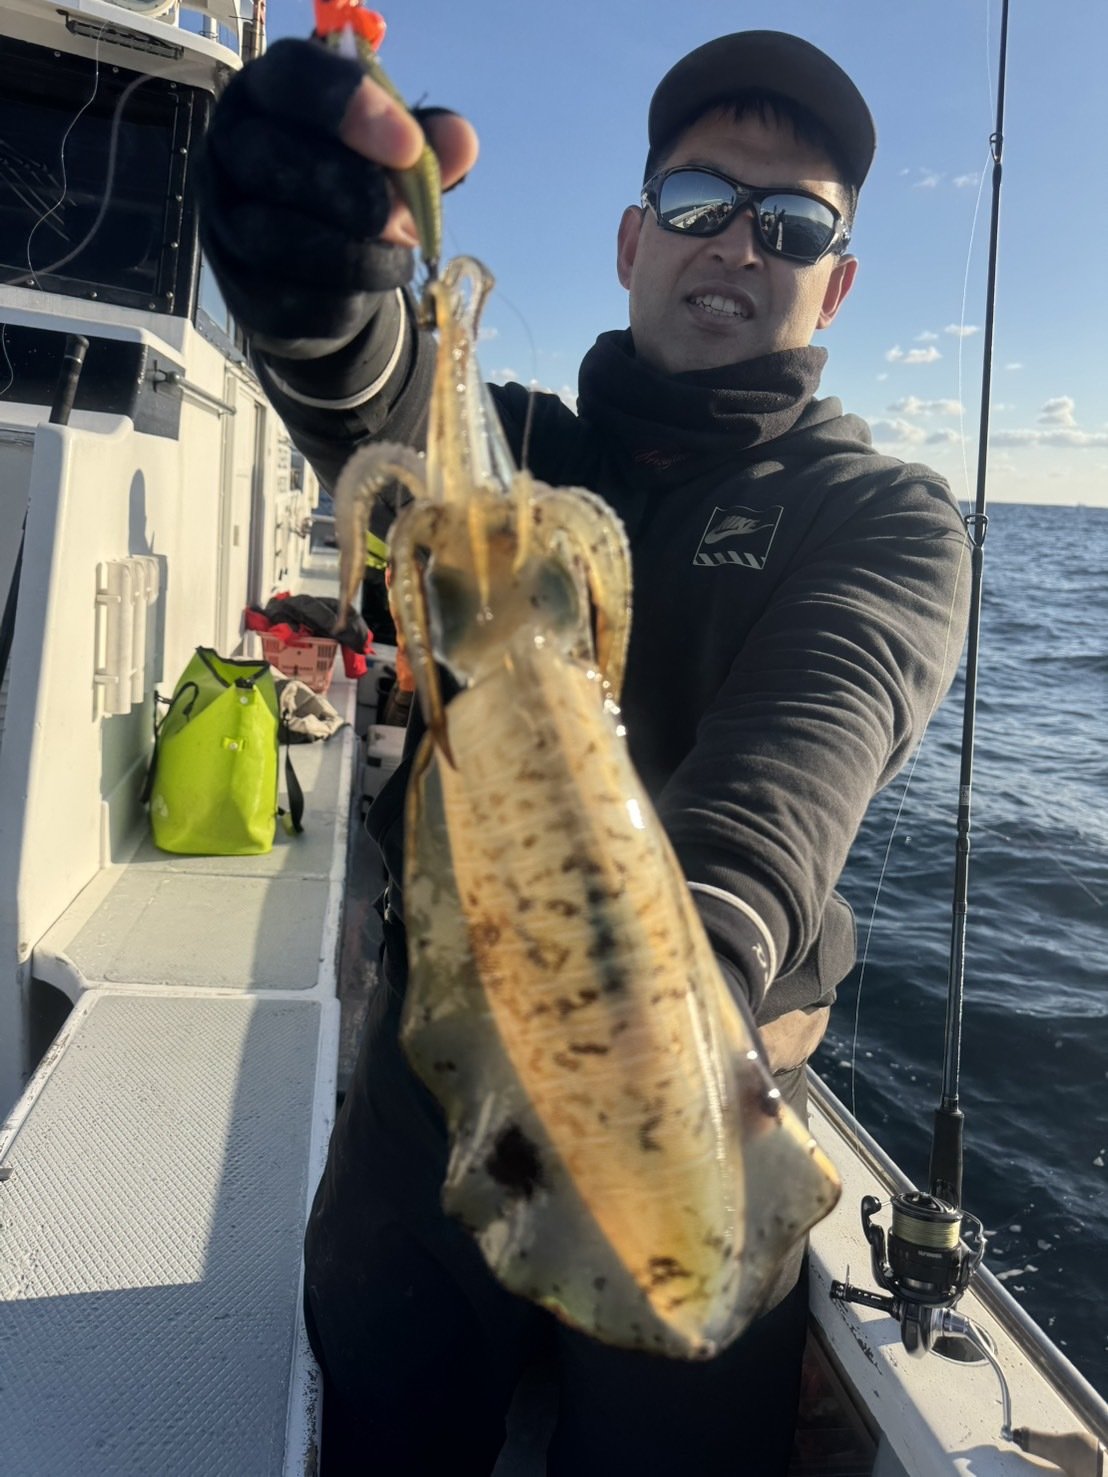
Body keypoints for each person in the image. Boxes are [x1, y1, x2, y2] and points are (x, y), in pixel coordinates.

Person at [199, 29, 970, 1475]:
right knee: (384, 1419)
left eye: (793, 224)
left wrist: (668, 1016)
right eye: (699, 200)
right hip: (437, 1096)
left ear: (838, 282)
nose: (738, 243)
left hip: (700, 1096)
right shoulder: (515, 452)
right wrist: (319, 296)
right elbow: (383, 407)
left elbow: (799, 758)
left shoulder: (886, 520)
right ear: (630, 240)